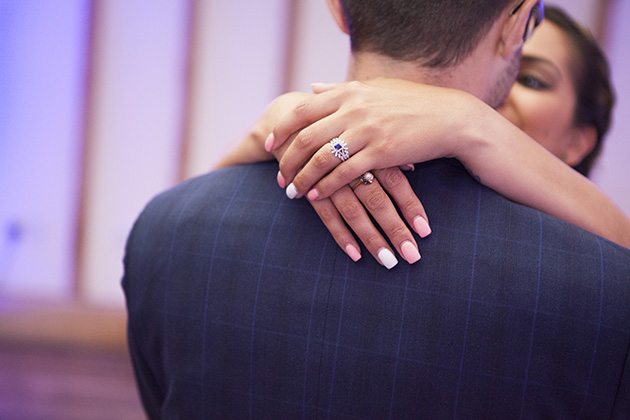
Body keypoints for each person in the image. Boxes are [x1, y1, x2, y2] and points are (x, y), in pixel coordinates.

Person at [123, 1, 630, 418]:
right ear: (515, 25)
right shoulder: (605, 289)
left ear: (339, 9)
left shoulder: (163, 230)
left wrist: (472, 123)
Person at [218, 5, 629, 269]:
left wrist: (470, 121)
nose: (503, 97)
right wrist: (272, 131)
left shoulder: (596, 277)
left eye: (534, 80)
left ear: (580, 140)